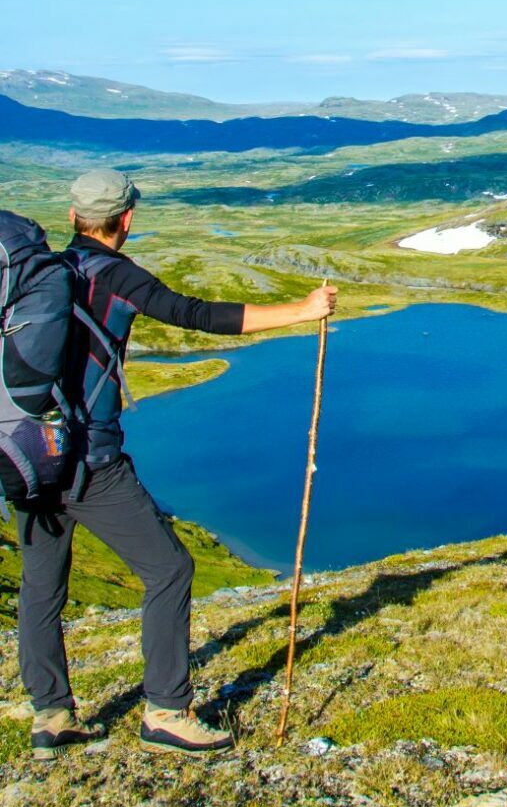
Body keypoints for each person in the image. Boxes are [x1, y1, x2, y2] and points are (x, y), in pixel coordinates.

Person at [17, 168, 337, 759]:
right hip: (92, 460)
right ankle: (166, 712)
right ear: (127, 219)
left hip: (28, 457)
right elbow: (194, 314)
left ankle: (51, 716)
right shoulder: (114, 274)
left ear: (73, 217)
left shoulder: (39, 274)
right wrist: (301, 309)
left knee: (42, 587)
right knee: (169, 569)